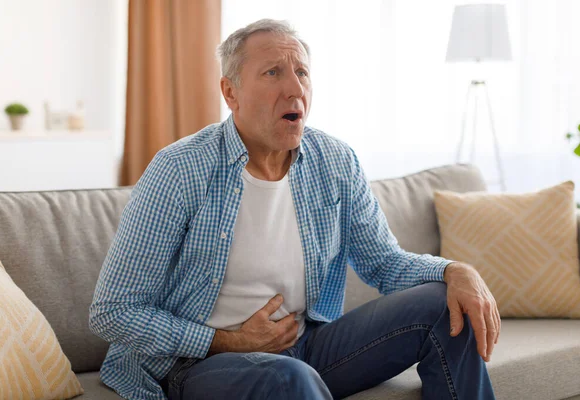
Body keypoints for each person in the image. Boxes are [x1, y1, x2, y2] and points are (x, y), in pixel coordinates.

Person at [89, 18, 500, 400]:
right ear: (230, 92)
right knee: (290, 379)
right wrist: (230, 341)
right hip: (200, 364)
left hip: (307, 346)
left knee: (445, 303)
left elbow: (385, 264)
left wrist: (454, 271)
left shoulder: (335, 161)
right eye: (273, 73)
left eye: (301, 73)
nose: (295, 89)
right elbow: (113, 312)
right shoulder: (180, 169)